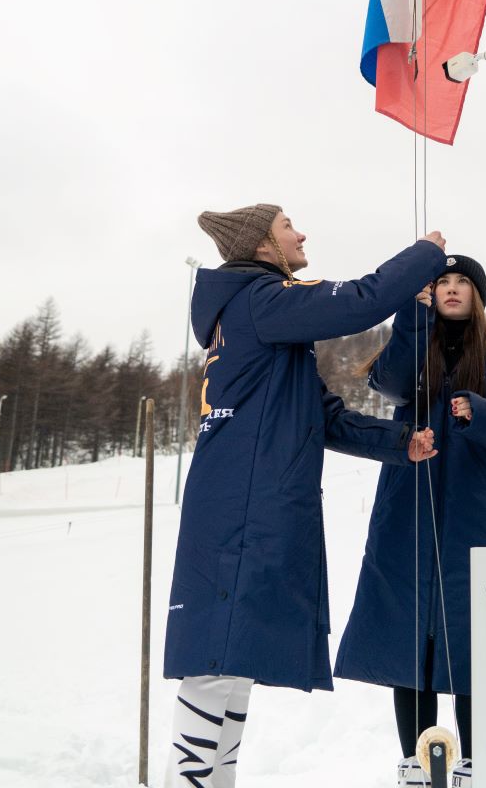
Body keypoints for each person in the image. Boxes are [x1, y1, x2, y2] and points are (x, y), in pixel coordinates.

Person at [163, 203, 448, 788]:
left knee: (231, 664)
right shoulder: (260, 300)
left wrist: (400, 443)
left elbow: (324, 417)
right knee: (216, 664)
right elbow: (358, 300)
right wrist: (425, 255)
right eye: (288, 226)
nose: (301, 234)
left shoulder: (260, 316)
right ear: (264, 248)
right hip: (240, 504)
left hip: (245, 500)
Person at [334, 256, 486, 786]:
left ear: (477, 295)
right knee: (409, 630)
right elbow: (392, 383)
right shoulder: (410, 347)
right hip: (406, 507)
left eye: (461, 281)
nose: (450, 289)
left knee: (470, 634)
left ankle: (473, 762)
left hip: (475, 513)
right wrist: (410, 317)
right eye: (441, 282)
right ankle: (417, 762)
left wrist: (478, 411)